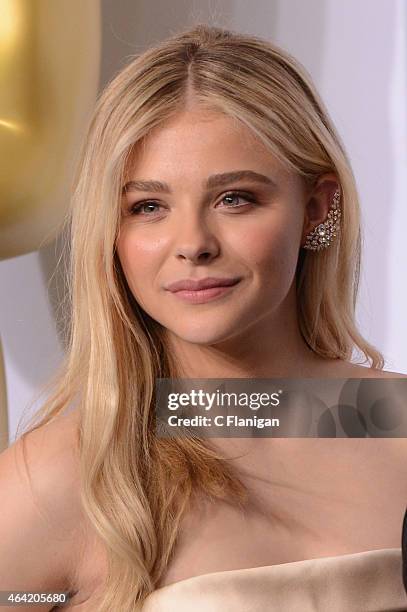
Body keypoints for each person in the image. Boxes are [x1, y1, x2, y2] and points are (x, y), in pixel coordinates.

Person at [1, 23, 407, 612]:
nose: (192, 243)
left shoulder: (391, 421)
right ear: (110, 233)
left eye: (234, 198)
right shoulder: (69, 476)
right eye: (148, 207)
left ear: (317, 206)